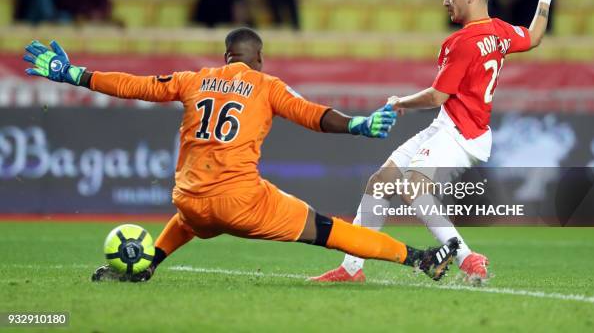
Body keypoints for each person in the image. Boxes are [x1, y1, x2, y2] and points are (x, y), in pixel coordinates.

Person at [22, 28, 459, 283]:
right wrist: (359, 125)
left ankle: (145, 263)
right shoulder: (266, 86)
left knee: (194, 214)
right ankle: (419, 259)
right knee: (328, 229)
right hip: (241, 202)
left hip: (190, 199)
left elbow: (135, 85)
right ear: (260, 59)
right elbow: (312, 115)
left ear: (225, 57)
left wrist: (75, 74)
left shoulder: (194, 79)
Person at [312, 0, 575, 283]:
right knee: (381, 182)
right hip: (451, 125)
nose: (444, 1)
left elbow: (438, 95)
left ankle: (466, 257)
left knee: (411, 187)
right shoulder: (501, 31)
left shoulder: (461, 42)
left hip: (461, 131)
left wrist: (399, 103)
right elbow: (533, 36)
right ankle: (351, 268)